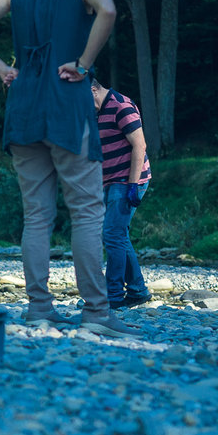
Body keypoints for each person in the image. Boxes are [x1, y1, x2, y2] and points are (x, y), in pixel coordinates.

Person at [0, 0, 139, 338]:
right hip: (67, 108)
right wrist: (84, 64)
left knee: (36, 216)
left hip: (23, 109)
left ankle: (39, 308)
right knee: (86, 212)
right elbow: (108, 11)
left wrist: (3, 69)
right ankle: (96, 312)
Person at [92, 79, 153, 308]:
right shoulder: (96, 111)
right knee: (118, 235)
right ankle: (137, 291)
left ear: (93, 89)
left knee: (112, 234)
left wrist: (132, 185)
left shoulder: (121, 106)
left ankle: (114, 296)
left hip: (128, 180)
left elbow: (140, 145)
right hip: (109, 181)